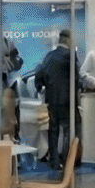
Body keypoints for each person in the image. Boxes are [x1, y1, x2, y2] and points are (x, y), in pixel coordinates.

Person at [35, 29, 75, 171]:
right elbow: (76, 77)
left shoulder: (49, 56)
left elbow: (39, 74)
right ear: (68, 40)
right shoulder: (70, 56)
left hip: (52, 100)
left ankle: (54, 162)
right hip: (67, 101)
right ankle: (66, 160)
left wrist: (41, 87)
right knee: (68, 131)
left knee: (53, 131)